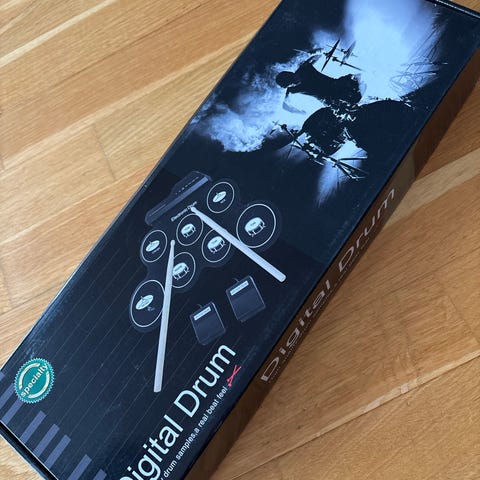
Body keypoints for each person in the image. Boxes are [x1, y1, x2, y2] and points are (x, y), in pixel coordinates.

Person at [276, 56, 362, 110]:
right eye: (291, 84)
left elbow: (318, 55)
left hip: (335, 85)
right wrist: (297, 111)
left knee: (354, 83)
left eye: (291, 82)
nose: (294, 84)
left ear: (290, 75)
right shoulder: (293, 88)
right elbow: (285, 105)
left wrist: (314, 55)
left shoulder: (304, 69)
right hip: (330, 99)